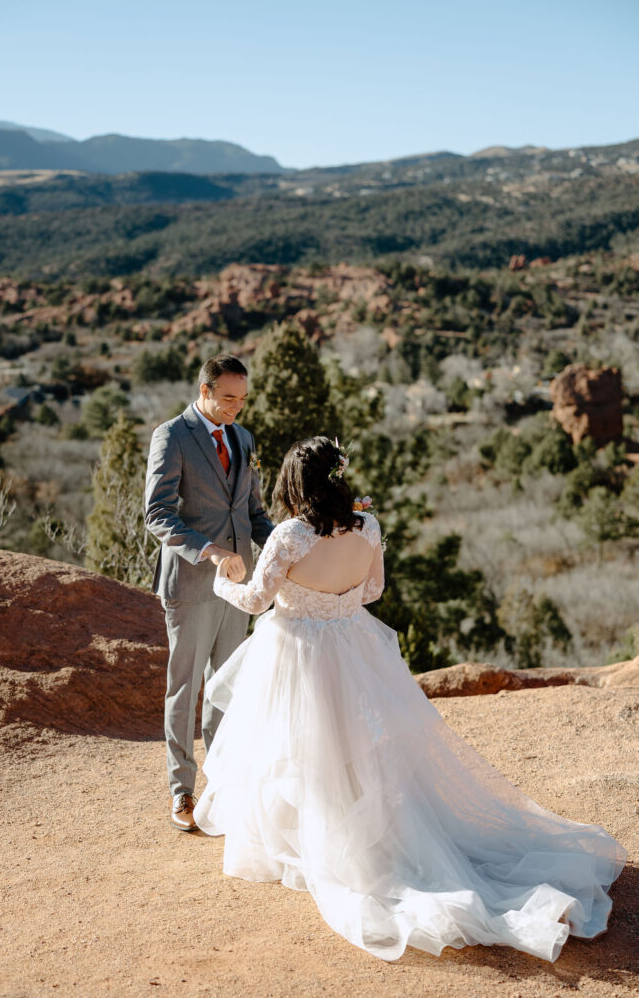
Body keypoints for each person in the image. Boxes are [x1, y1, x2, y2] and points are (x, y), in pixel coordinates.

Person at [192, 436, 627, 962]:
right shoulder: (367, 525)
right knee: (360, 749)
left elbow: (256, 600)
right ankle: (359, 831)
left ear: (294, 484)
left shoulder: (289, 536)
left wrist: (221, 581)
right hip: (354, 645)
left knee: (303, 750)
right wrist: (336, 599)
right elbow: (372, 591)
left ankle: (318, 842)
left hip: (299, 654)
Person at [144, 353, 273, 831]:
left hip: (241, 587)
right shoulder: (172, 436)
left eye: (242, 399)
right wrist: (211, 552)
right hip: (193, 583)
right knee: (186, 689)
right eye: (227, 399)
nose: (236, 408)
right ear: (204, 391)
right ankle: (182, 792)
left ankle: (225, 789)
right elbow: (158, 513)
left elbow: (254, 514)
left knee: (227, 688)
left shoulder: (243, 438)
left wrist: (293, 544)